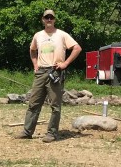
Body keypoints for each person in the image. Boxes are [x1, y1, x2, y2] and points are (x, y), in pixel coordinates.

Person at [16, 9, 81, 142]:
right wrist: (35, 65)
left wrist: (65, 63)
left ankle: (52, 134)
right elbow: (32, 50)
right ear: (43, 20)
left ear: (54, 20)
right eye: (47, 18)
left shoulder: (62, 35)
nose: (49, 20)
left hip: (55, 71)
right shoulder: (38, 35)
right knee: (33, 103)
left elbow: (77, 48)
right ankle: (27, 131)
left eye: (51, 17)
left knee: (55, 106)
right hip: (40, 72)